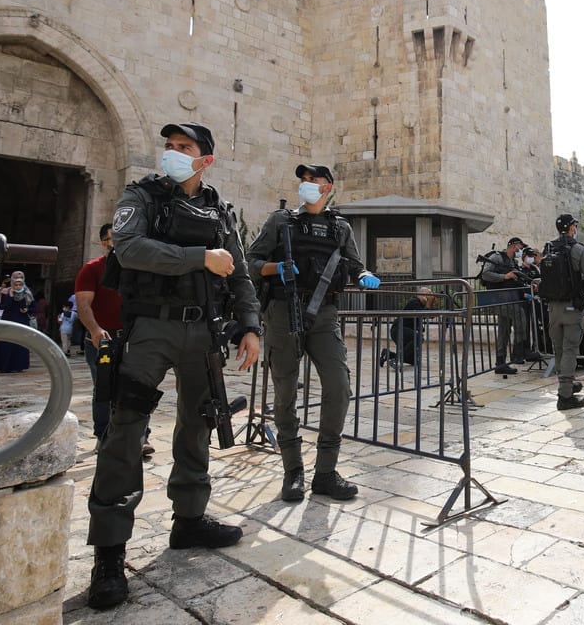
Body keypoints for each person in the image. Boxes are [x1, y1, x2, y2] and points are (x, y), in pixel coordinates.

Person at [86, 122, 262, 610]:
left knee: (197, 425)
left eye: (183, 148)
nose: (172, 154)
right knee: (126, 428)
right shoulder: (141, 197)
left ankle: (189, 520)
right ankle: (109, 552)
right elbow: (129, 247)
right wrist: (199, 257)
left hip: (204, 331)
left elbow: (240, 272)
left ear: (205, 159)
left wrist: (251, 326)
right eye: (169, 146)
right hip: (151, 330)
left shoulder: (217, 209)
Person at [247, 163, 380, 504]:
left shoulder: (340, 227)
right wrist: (274, 268)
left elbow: (353, 263)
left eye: (312, 180)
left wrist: (364, 274)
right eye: (302, 180)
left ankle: (325, 472)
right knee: (285, 394)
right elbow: (251, 262)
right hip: (282, 312)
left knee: (339, 385)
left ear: (327, 187)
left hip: (324, 314)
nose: (306, 184)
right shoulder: (281, 222)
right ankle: (293, 472)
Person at [75, 223, 142, 451]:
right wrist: (94, 329)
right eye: (116, 239)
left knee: (137, 387)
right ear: (105, 243)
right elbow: (83, 304)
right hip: (102, 340)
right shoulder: (92, 269)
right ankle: (103, 436)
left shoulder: (136, 270)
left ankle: (140, 437)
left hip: (132, 338)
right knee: (104, 388)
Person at [543, 213, 584, 410]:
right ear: (572, 228)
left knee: (559, 349)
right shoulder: (578, 249)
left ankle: (566, 385)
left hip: (552, 308)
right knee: (570, 350)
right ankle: (565, 396)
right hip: (571, 307)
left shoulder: (548, 247)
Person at [479, 236, 532, 374]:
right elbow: (485, 274)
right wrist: (504, 277)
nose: (521, 250)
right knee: (520, 316)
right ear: (514, 246)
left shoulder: (512, 262)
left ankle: (500, 363)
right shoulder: (497, 258)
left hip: (509, 299)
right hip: (498, 299)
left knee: (504, 331)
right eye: (520, 247)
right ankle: (519, 353)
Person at [0, 270, 34, 372]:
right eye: (15, 279)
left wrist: (27, 310)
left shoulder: (27, 293)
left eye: (20, 280)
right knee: (7, 344)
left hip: (22, 321)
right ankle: (5, 366)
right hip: (8, 320)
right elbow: (3, 307)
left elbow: (34, 307)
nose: (18, 284)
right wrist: (10, 296)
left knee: (20, 344)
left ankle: (18, 366)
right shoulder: (6, 292)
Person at [387, 286, 437, 367]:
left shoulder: (420, 305)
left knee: (413, 361)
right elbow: (424, 314)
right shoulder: (414, 302)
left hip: (405, 331)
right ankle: (396, 361)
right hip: (398, 330)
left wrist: (433, 304)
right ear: (422, 295)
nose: (430, 296)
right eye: (429, 294)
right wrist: (428, 303)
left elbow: (430, 315)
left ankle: (388, 354)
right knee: (418, 338)